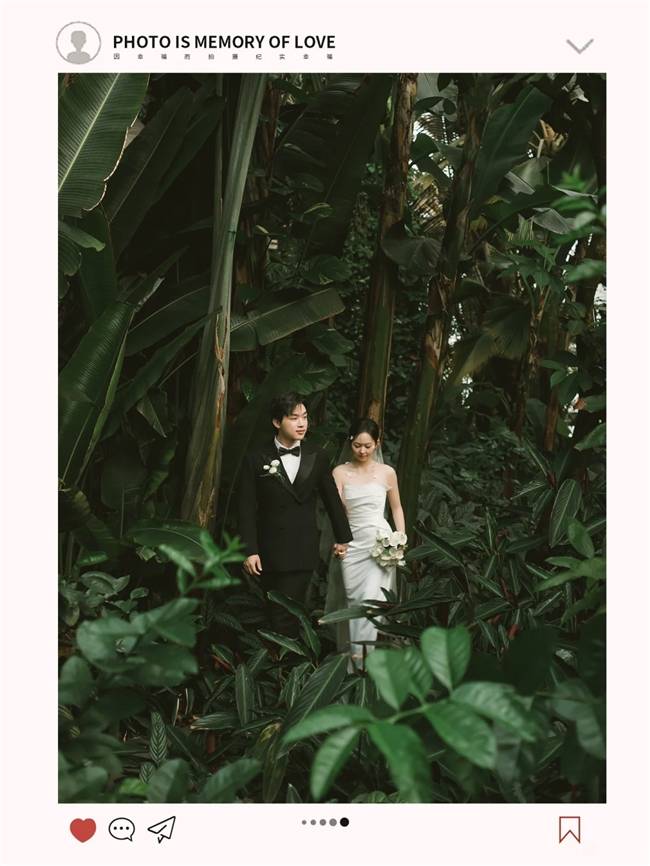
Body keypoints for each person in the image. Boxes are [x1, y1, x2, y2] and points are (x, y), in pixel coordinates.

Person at [236, 393, 353, 636]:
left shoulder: (317, 455)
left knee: (289, 615)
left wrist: (343, 538)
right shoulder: (256, 457)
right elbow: (245, 506)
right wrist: (250, 550)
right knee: (275, 614)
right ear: (277, 422)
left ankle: (285, 657)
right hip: (269, 551)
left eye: (305, 417)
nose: (302, 424)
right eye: (294, 418)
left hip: (302, 547)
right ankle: (282, 657)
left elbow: (331, 499)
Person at [331, 418, 406, 668]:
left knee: (370, 605)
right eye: (357, 445)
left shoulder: (387, 472)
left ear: (377, 444)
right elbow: (336, 512)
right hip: (351, 544)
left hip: (380, 544)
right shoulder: (339, 473)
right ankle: (355, 665)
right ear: (350, 442)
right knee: (355, 603)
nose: (362, 451)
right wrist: (339, 540)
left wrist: (400, 538)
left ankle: (362, 665)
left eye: (368, 446)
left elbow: (396, 508)